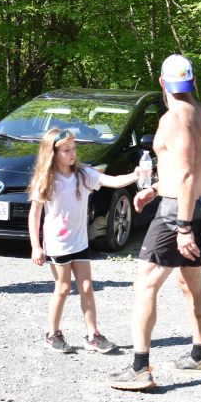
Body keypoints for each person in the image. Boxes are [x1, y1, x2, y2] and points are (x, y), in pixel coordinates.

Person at [108, 54, 201, 391]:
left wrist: (183, 227)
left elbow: (186, 175)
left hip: (178, 213)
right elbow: (196, 169)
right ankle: (200, 354)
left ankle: (139, 368)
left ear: (162, 83)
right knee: (191, 284)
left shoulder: (173, 119)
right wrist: (155, 189)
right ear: (193, 82)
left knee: (145, 285)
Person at [27, 128, 140, 353]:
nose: (72, 154)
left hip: (79, 241)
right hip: (57, 243)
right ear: (53, 153)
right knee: (63, 288)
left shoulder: (84, 175)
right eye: (66, 150)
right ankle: (52, 334)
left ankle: (93, 335)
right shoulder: (46, 180)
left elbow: (113, 181)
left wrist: (136, 175)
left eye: (73, 148)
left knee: (87, 287)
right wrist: (36, 246)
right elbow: (35, 214)